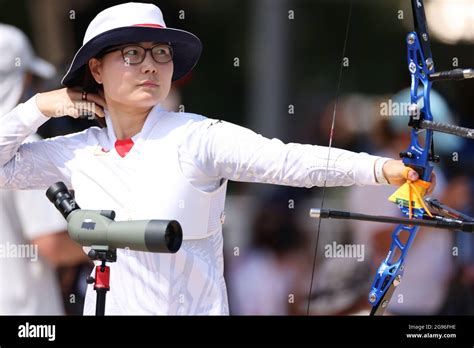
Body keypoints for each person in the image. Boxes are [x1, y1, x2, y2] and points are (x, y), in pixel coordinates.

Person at [0, 3, 434, 315]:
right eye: (132, 54)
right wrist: (39, 106)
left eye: (161, 53)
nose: (150, 65)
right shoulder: (79, 149)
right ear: (96, 70)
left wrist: (381, 169)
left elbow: (286, 161)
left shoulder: (198, 137)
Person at [0, 23, 88, 314]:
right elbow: (51, 245)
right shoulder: (21, 145)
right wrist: (111, 241)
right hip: (26, 314)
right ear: (22, 77)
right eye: (33, 78)